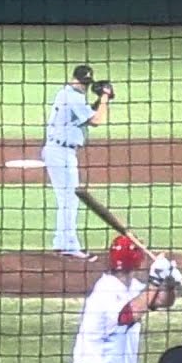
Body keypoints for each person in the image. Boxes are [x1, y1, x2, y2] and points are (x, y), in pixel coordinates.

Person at [41, 64, 114, 260]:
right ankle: (69, 245)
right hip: (61, 152)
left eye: (86, 84)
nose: (84, 86)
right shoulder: (74, 97)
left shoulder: (65, 93)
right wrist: (105, 98)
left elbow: (85, 115)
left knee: (66, 198)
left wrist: (98, 101)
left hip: (57, 150)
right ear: (76, 79)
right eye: (83, 83)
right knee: (70, 199)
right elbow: (97, 120)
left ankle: (61, 242)